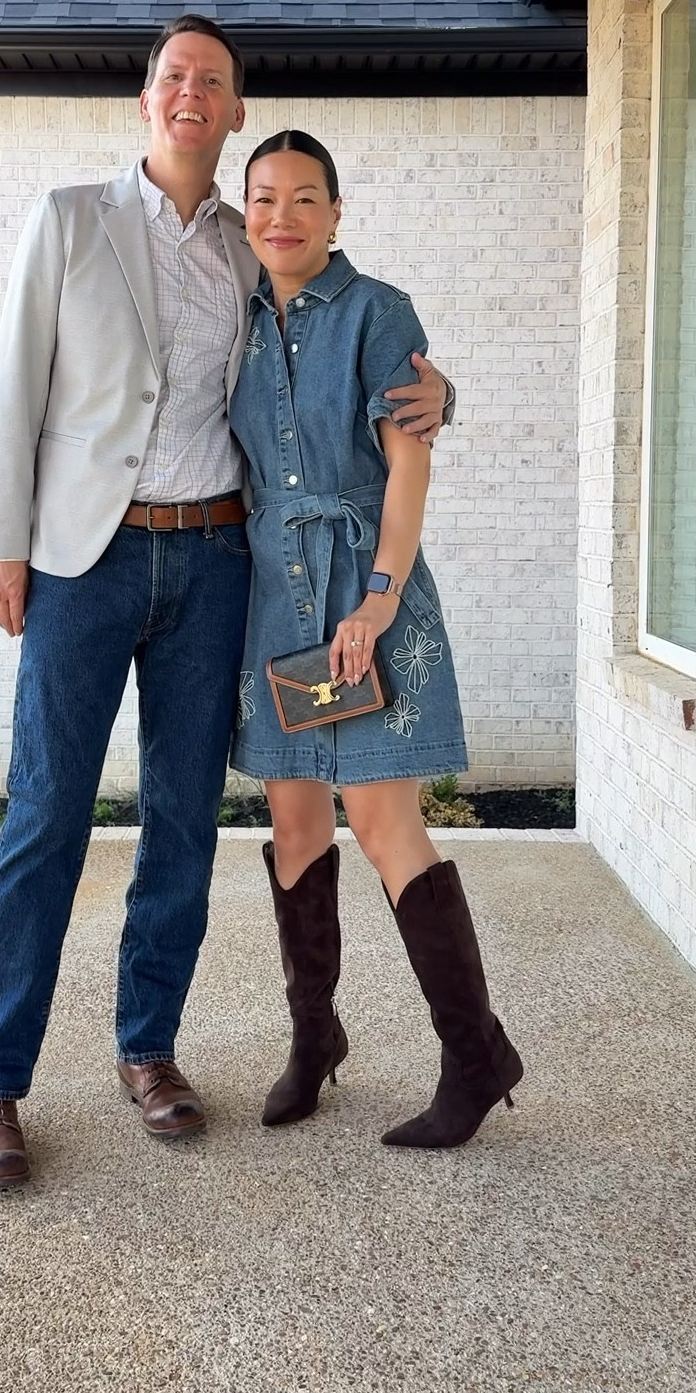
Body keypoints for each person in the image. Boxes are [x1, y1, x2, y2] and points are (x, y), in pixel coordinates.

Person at [0, 18, 454, 1190]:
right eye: (175, 76)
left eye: (214, 83)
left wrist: (438, 390)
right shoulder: (70, 218)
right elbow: (10, 387)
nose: (193, 93)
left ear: (233, 116)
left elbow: (339, 348)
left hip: (218, 564)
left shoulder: (254, 245)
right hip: (85, 563)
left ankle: (149, 1051)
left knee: (183, 819)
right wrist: (1, 542)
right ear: (148, 100)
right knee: (45, 819)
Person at [228, 129, 522, 1149]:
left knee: (388, 825)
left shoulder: (376, 310)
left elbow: (409, 463)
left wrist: (382, 595)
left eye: (305, 198)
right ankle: (316, 1040)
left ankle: (475, 1059)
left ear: (337, 212)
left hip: (360, 596)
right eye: (263, 198)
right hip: (279, 605)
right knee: (298, 826)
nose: (281, 217)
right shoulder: (241, 319)